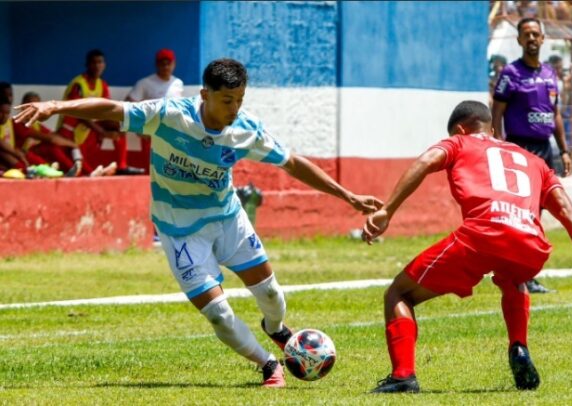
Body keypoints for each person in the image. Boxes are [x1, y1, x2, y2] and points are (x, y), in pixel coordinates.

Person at [14, 58, 383, 388]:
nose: (234, 109)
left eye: (240, 100)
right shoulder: (169, 115)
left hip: (228, 221)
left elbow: (293, 163)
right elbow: (113, 109)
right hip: (179, 231)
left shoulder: (246, 130)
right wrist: (55, 105)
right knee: (220, 315)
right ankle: (269, 364)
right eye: (227, 101)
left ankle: (275, 329)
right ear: (205, 94)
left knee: (272, 295)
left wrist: (347, 196)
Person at [361, 100, 572, 394]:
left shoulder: (459, 142)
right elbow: (566, 209)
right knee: (514, 276)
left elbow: (425, 161)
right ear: (493, 129)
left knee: (399, 292)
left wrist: (387, 210)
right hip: (529, 238)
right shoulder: (532, 159)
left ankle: (403, 375)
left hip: (482, 234)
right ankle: (519, 346)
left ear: (461, 129)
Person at [492, 17, 572, 293]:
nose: (532, 39)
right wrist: (499, 143)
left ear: (543, 38)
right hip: (520, 149)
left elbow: (556, 114)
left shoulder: (550, 74)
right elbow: (497, 110)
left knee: (538, 213)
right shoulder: (511, 74)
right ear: (519, 40)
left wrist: (563, 150)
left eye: (536, 34)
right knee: (521, 213)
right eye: (526, 34)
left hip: (545, 149)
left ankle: (526, 273)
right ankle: (518, 274)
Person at [58, 49, 144, 175]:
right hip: (71, 129)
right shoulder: (79, 84)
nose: (97, 65)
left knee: (119, 124)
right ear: (87, 65)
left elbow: (107, 110)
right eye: (94, 62)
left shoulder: (102, 85)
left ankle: (121, 166)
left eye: (100, 62)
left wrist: (118, 126)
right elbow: (77, 114)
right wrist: (103, 132)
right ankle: (91, 173)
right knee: (77, 166)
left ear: (104, 64)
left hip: (89, 128)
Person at [126, 49, 185, 173]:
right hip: (150, 133)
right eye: (162, 63)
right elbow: (129, 105)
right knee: (151, 171)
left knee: (169, 171)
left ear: (174, 64)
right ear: (156, 65)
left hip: (171, 134)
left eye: (168, 63)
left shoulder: (178, 83)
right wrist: (138, 127)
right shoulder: (144, 83)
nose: (166, 67)